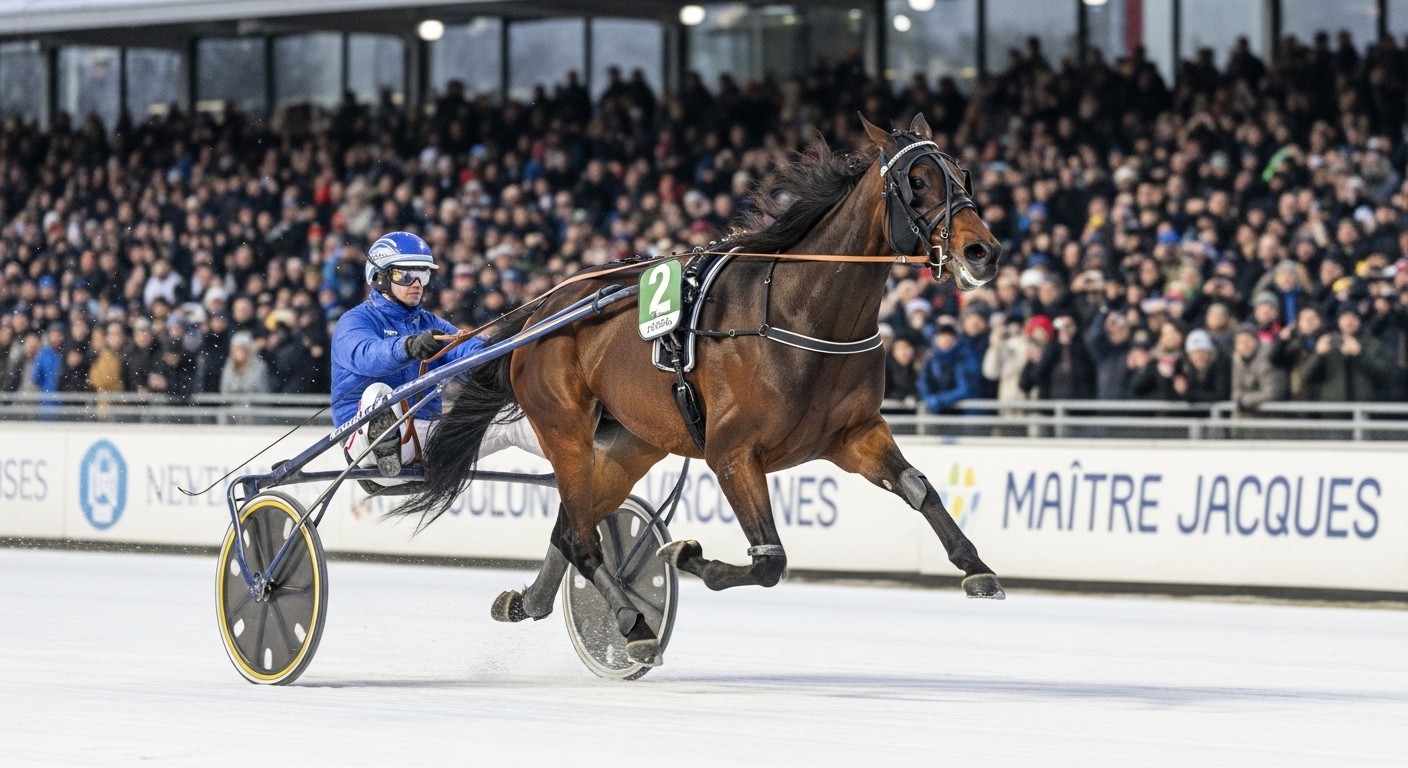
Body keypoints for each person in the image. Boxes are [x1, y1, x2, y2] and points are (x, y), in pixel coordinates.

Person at [330, 231, 543, 483]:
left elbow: (469, 354)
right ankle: (386, 447)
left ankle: (582, 457)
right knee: (377, 394)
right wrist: (408, 346)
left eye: (423, 274)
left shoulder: (429, 323)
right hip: (364, 448)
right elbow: (366, 356)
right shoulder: (355, 321)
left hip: (426, 438)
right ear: (380, 278)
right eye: (406, 275)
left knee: (512, 418)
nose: (417, 284)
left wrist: (516, 348)